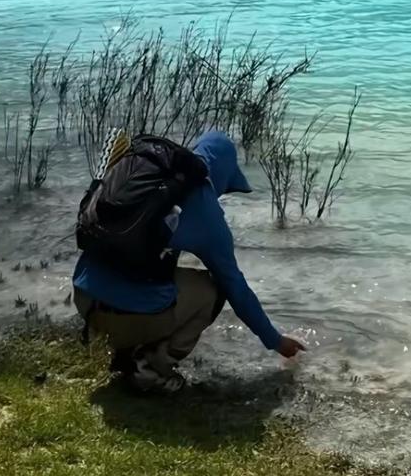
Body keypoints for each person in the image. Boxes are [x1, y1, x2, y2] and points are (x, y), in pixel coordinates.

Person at [73, 130, 305, 393]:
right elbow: (236, 290)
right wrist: (276, 341)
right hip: (124, 320)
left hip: (84, 300)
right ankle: (151, 369)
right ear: (223, 174)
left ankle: (123, 349)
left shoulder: (147, 178)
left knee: (148, 270)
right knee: (213, 290)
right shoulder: (207, 213)